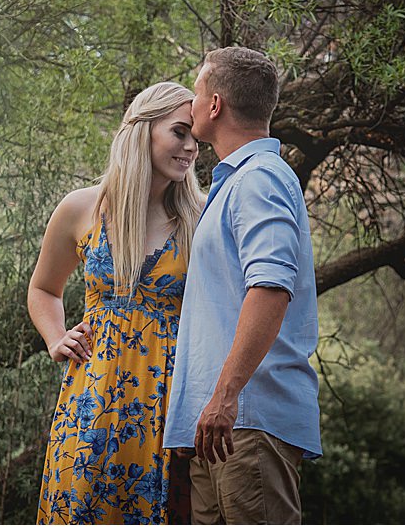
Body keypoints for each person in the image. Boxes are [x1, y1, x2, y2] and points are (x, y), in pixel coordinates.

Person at [30, 81, 204, 524]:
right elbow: (43, 289)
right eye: (180, 132)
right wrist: (55, 338)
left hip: (167, 404)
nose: (190, 148)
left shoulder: (200, 218)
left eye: (196, 140)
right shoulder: (82, 208)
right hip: (92, 395)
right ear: (142, 131)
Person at [163, 46, 321, 524]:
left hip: (245, 419)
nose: (190, 106)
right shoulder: (232, 184)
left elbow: (271, 288)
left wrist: (226, 395)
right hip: (218, 427)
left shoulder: (260, 179)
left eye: (195, 92)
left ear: (214, 106)